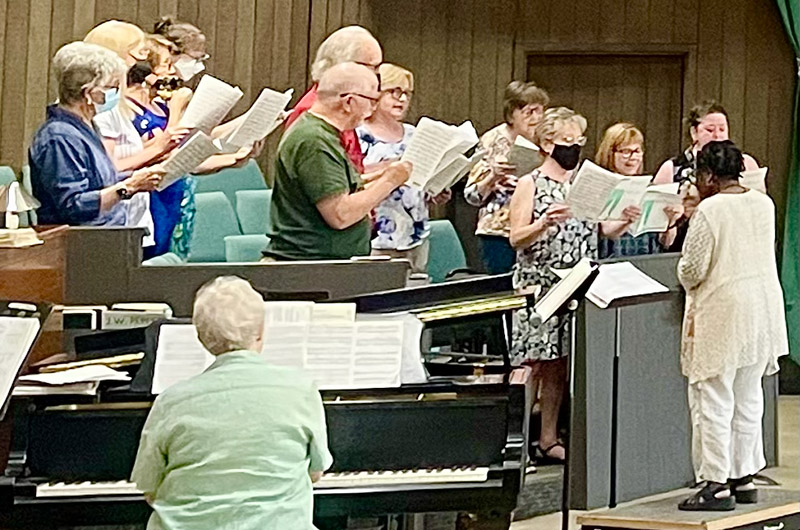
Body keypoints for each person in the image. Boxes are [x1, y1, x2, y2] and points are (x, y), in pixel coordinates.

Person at [131, 276, 332, 529]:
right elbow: (315, 472)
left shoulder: (170, 401)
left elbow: (149, 489)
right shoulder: (301, 389)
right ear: (260, 333)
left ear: (201, 336)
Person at [508, 107, 638, 463]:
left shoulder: (585, 182)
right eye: (567, 142)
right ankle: (515, 441)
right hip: (539, 285)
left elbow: (599, 229)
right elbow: (516, 237)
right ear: (548, 143)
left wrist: (622, 221)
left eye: (579, 141)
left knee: (560, 365)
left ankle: (549, 437)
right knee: (533, 363)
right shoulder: (530, 183)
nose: (574, 148)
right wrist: (544, 223)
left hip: (578, 282)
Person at [676, 140, 787, 511]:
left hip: (723, 310)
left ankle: (715, 483)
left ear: (707, 174)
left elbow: (691, 270)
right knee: (748, 394)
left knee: (713, 397)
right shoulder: (763, 202)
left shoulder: (711, 210)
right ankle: (744, 475)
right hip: (762, 310)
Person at [265, 62, 411, 261]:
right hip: (309, 269)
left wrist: (381, 176)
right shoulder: (314, 140)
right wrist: (390, 181)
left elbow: (340, 188)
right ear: (348, 102)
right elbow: (340, 215)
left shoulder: (322, 134)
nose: (372, 108)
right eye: (372, 100)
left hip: (322, 266)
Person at [29, 42, 162, 227]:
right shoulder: (60, 137)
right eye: (113, 88)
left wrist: (139, 178)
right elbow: (74, 205)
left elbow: (101, 181)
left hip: (109, 235)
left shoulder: (87, 127)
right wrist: (129, 187)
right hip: (80, 244)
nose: (117, 94)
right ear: (89, 93)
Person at [84, 21, 179, 253]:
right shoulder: (102, 107)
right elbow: (109, 167)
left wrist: (155, 149)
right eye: (137, 56)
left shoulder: (119, 105)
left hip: (132, 217)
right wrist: (157, 148)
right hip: (112, 222)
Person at [356, 63, 449, 274]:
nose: (402, 99)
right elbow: (352, 177)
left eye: (407, 93)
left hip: (414, 234)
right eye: (394, 92)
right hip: (377, 236)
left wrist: (435, 190)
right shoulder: (358, 133)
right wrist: (388, 168)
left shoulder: (414, 134)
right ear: (376, 95)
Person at [465, 81, 549, 274]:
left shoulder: (547, 140)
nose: (536, 118)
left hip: (536, 230)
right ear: (512, 114)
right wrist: (493, 178)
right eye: (529, 112)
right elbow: (471, 195)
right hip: (499, 232)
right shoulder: (492, 141)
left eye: (540, 111)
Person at [653, 101, 759, 251]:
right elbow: (656, 221)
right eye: (710, 130)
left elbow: (758, 209)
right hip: (684, 245)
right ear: (694, 132)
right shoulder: (672, 167)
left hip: (733, 243)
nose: (717, 135)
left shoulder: (746, 163)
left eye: (722, 129)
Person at [286, 26, 383, 172]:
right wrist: (390, 180)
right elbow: (330, 189)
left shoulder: (342, 108)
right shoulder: (313, 113)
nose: (375, 76)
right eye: (371, 67)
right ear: (343, 65)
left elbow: (350, 175)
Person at [594, 122, 681, 258]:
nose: (633, 157)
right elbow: (605, 231)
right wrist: (626, 220)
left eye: (637, 151)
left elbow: (666, 243)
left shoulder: (650, 189)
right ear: (610, 153)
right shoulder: (601, 187)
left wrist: (670, 221)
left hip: (647, 263)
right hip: (612, 263)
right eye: (626, 151)